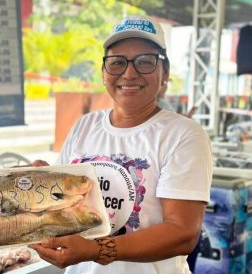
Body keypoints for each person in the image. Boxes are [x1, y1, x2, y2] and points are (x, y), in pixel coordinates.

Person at [29, 15, 213, 274]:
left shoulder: (183, 135)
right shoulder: (85, 126)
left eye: (145, 62)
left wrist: (97, 250)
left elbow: (182, 233)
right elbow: (65, 207)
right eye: (117, 62)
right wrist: (39, 183)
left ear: (165, 74)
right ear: (104, 73)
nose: (129, 73)